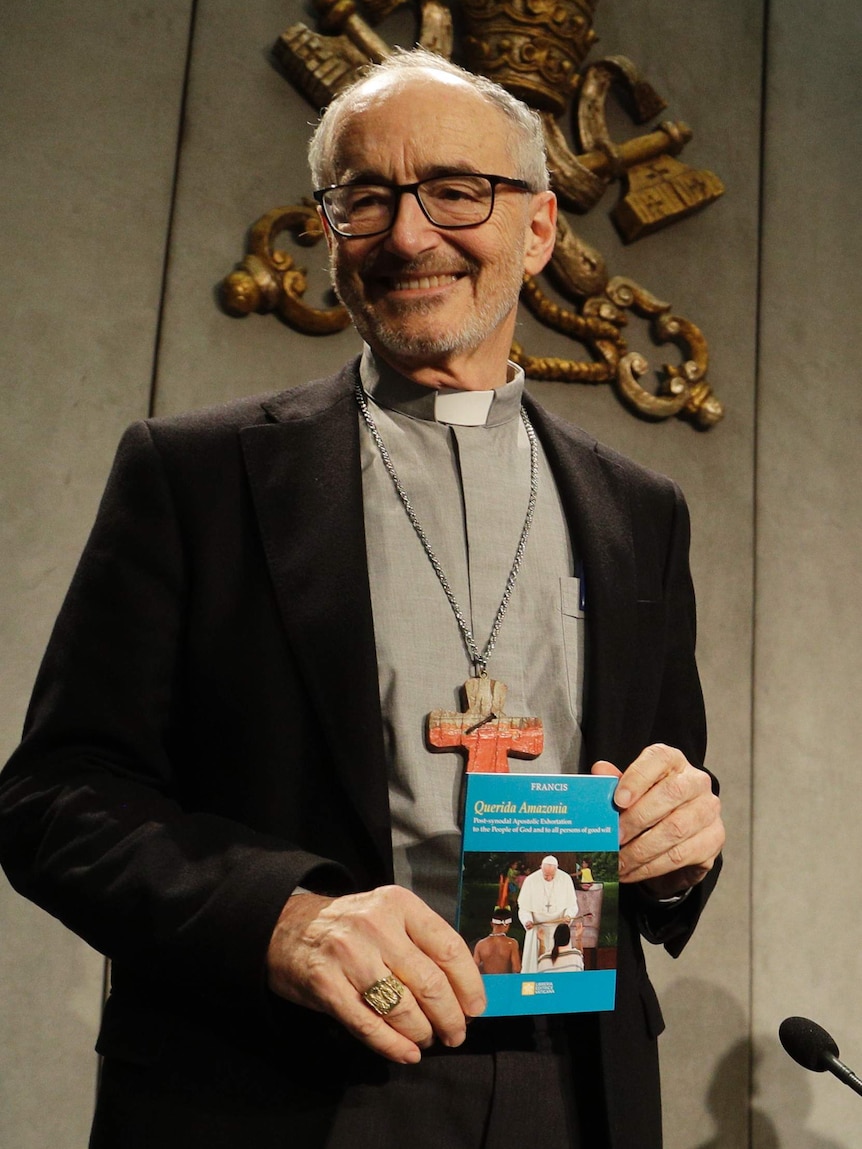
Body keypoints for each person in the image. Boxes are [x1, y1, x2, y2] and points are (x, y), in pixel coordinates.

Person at [0, 47, 724, 1149]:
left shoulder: (639, 510)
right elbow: (57, 800)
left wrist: (680, 849)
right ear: (328, 230)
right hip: (274, 1087)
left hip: (568, 1084)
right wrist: (284, 921)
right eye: (364, 199)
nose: (408, 235)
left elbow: (664, 792)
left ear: (538, 232)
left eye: (456, 190)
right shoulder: (195, 474)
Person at [517, 856, 579, 972]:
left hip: (558, 928)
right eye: (546, 875)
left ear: (557, 869)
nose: (549, 878)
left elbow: (572, 905)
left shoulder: (565, 879)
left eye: (552, 875)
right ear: (541, 868)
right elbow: (524, 908)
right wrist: (527, 920)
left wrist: (568, 916)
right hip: (537, 928)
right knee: (534, 966)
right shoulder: (531, 880)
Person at [472, 909, 522, 975]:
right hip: (505, 981)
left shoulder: (480, 944)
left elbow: (473, 968)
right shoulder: (512, 943)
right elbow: (516, 968)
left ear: (492, 924)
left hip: (486, 982)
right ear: (507, 925)